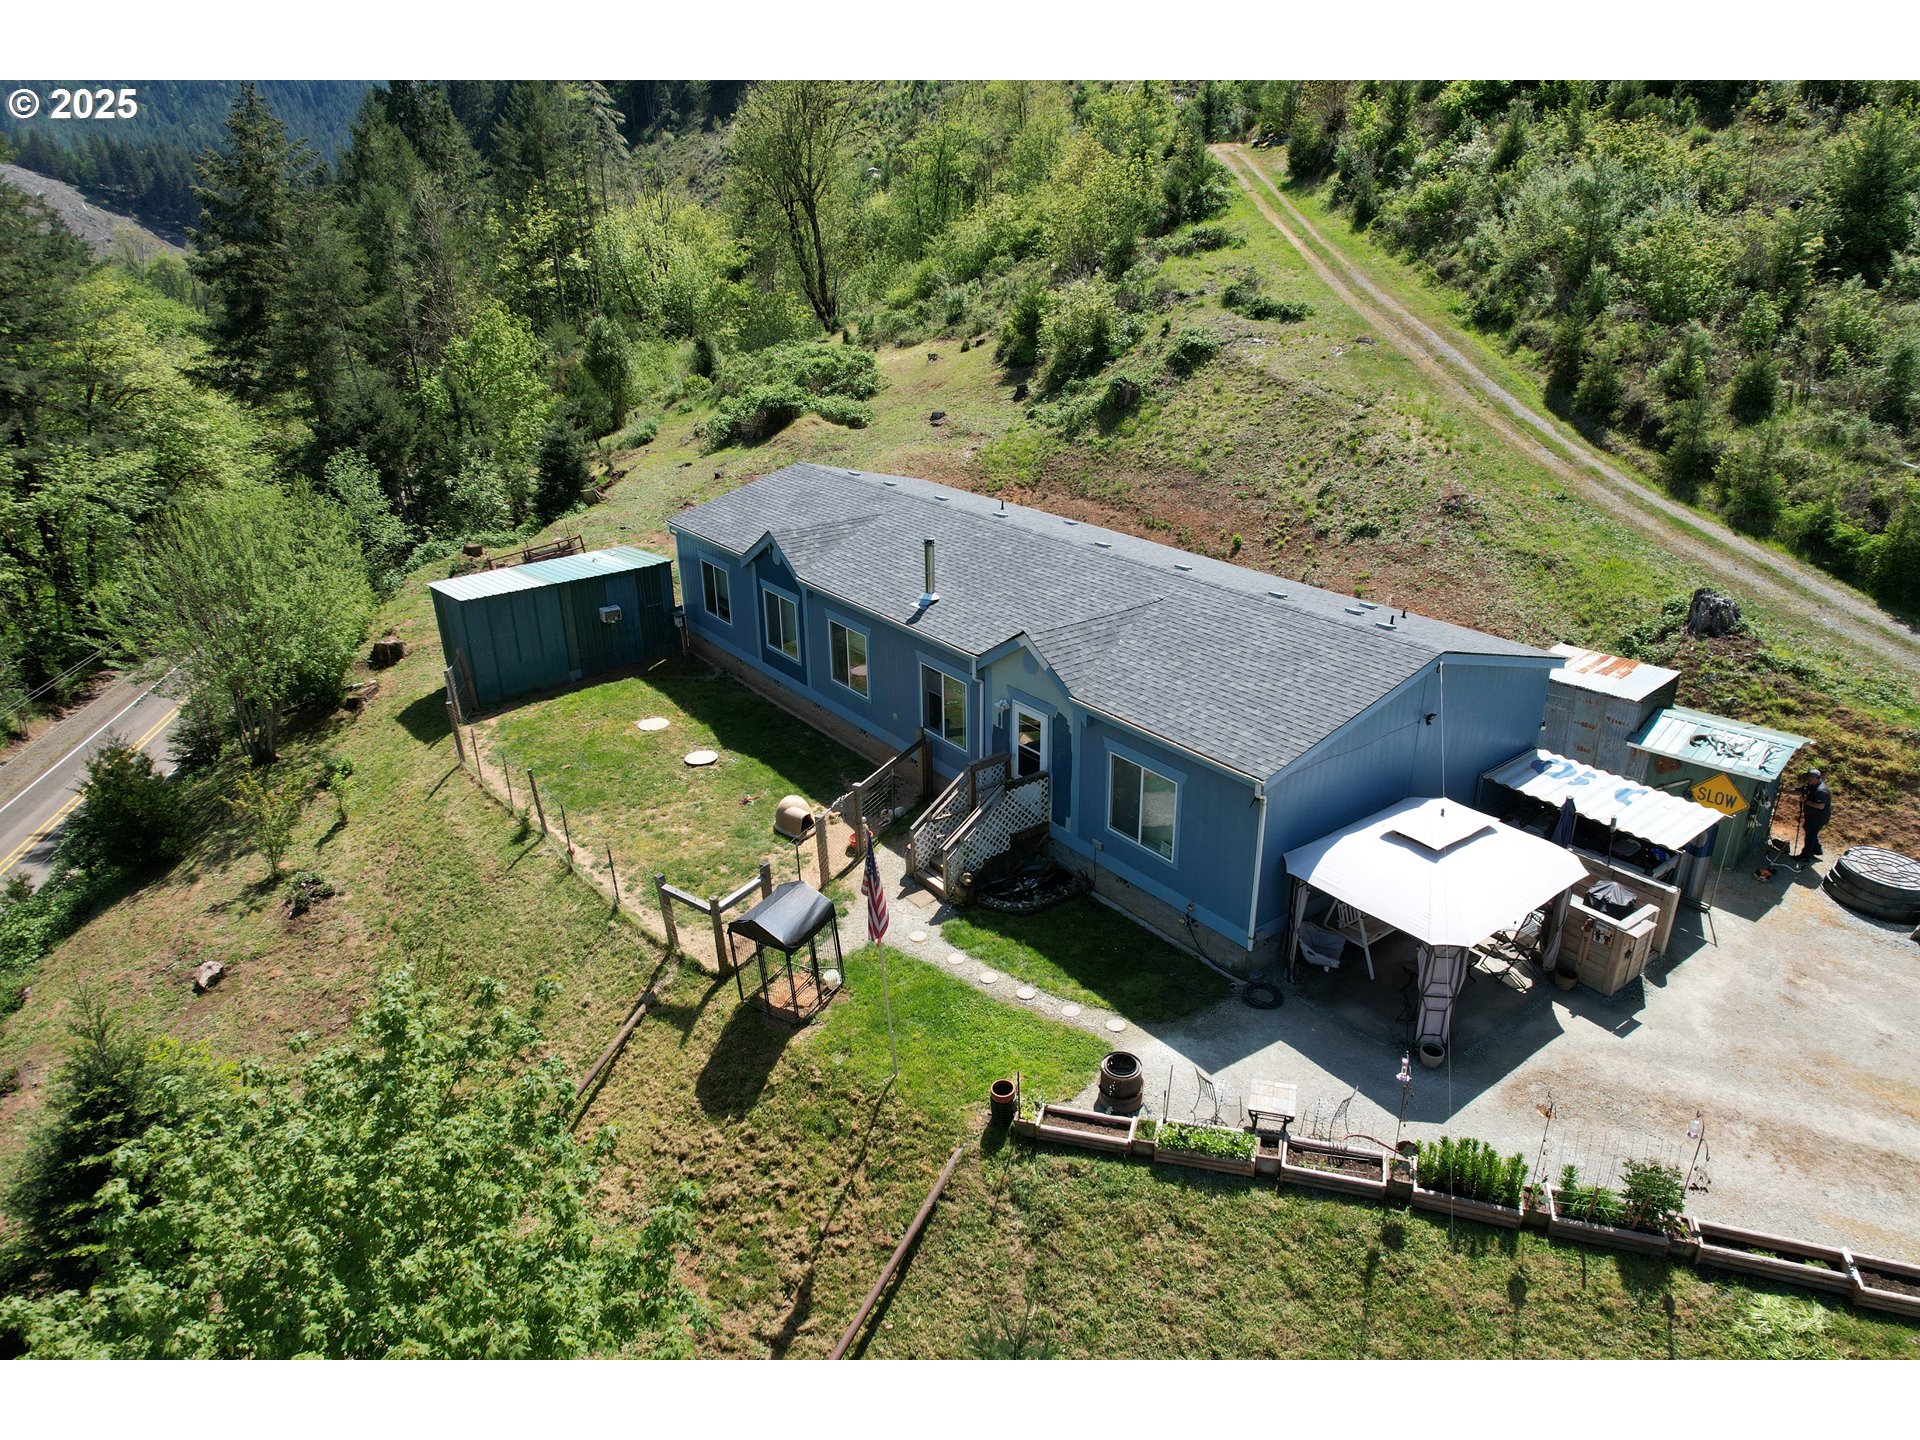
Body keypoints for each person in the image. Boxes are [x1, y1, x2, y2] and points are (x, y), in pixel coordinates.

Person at [1799, 769, 1832, 859]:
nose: (1807, 779)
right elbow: (1801, 791)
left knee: (1810, 835)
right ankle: (1817, 849)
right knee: (1810, 831)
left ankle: (1805, 856)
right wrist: (1784, 791)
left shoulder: (1821, 790)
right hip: (1813, 816)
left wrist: (1805, 801)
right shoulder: (1813, 785)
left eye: (1809, 777)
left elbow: (1820, 806)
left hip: (1818, 818)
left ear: (1814, 778)